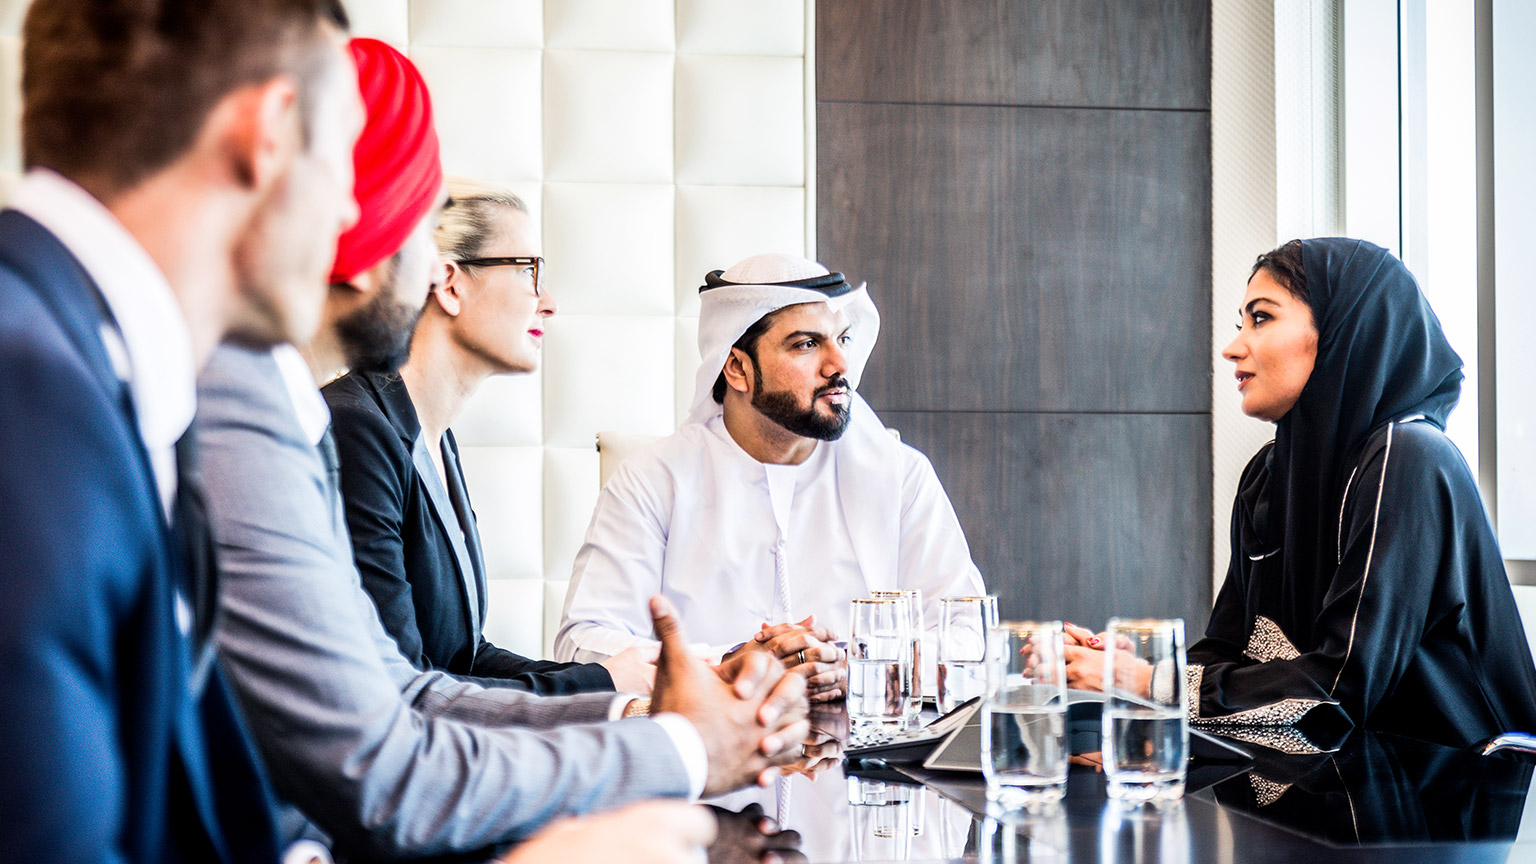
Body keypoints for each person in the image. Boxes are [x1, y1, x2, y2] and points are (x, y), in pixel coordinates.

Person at [197, 38, 808, 861]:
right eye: (416, 221)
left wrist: (635, 713)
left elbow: (410, 686)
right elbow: (390, 751)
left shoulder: (349, 424)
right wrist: (670, 746)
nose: (406, 258)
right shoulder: (300, 418)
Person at [0, 1, 358, 861]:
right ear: (269, 133)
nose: (349, 213)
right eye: (343, 152)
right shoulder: (32, 404)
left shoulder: (89, 372)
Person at [1063, 238, 1536, 748]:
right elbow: (1229, 649)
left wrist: (1151, 684)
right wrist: (1136, 668)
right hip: (1330, 789)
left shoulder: (1409, 458)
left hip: (1456, 804)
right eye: (1240, 323)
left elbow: (1340, 688)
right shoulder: (1267, 475)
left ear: (1343, 332)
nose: (1233, 346)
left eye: (1261, 319)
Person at [555, 252, 986, 700]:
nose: (840, 364)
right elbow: (583, 644)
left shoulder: (899, 476)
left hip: (862, 762)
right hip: (708, 759)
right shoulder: (653, 480)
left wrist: (851, 664)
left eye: (843, 338)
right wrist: (733, 664)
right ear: (737, 368)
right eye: (806, 344)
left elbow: (972, 640)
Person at [323, 177, 654, 694]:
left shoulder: (436, 440)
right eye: (530, 270)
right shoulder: (356, 429)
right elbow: (403, 688)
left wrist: (626, 680)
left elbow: (464, 656)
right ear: (451, 284)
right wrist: (601, 685)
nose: (549, 302)